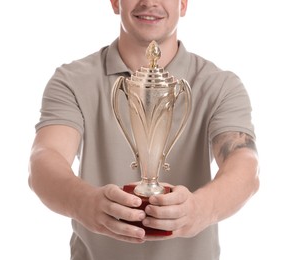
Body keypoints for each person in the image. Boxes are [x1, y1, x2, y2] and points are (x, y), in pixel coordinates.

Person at [28, 0, 260, 259]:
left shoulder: (221, 85)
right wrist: (85, 202)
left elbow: (244, 164)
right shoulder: (71, 80)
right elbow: (45, 157)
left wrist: (200, 209)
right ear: (115, 2)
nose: (150, 2)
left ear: (183, 4)